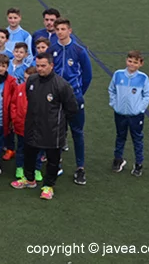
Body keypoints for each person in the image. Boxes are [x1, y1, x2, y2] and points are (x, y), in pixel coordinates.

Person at [11, 53, 80, 201]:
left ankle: (49, 186)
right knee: (29, 154)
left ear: (51, 65)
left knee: (52, 159)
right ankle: (29, 180)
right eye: (38, 66)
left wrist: (58, 123)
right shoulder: (32, 81)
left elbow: (72, 108)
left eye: (43, 66)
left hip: (53, 131)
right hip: (32, 126)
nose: (40, 69)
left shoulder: (61, 85)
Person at [50, 19, 92, 185]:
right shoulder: (52, 49)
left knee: (77, 132)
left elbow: (87, 75)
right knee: (58, 131)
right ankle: (56, 163)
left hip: (74, 98)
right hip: (56, 98)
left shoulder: (79, 51)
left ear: (70, 31)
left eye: (63, 29)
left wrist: (79, 93)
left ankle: (80, 168)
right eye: (57, 29)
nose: (60, 32)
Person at [108, 51, 149, 177]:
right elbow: (111, 90)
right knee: (120, 136)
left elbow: (147, 94)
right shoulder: (118, 74)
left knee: (137, 138)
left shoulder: (143, 78)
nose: (132, 64)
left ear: (141, 64)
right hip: (120, 113)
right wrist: (114, 104)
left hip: (135, 115)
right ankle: (118, 159)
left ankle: (138, 163)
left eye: (135, 62)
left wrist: (140, 108)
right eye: (130, 61)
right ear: (126, 61)